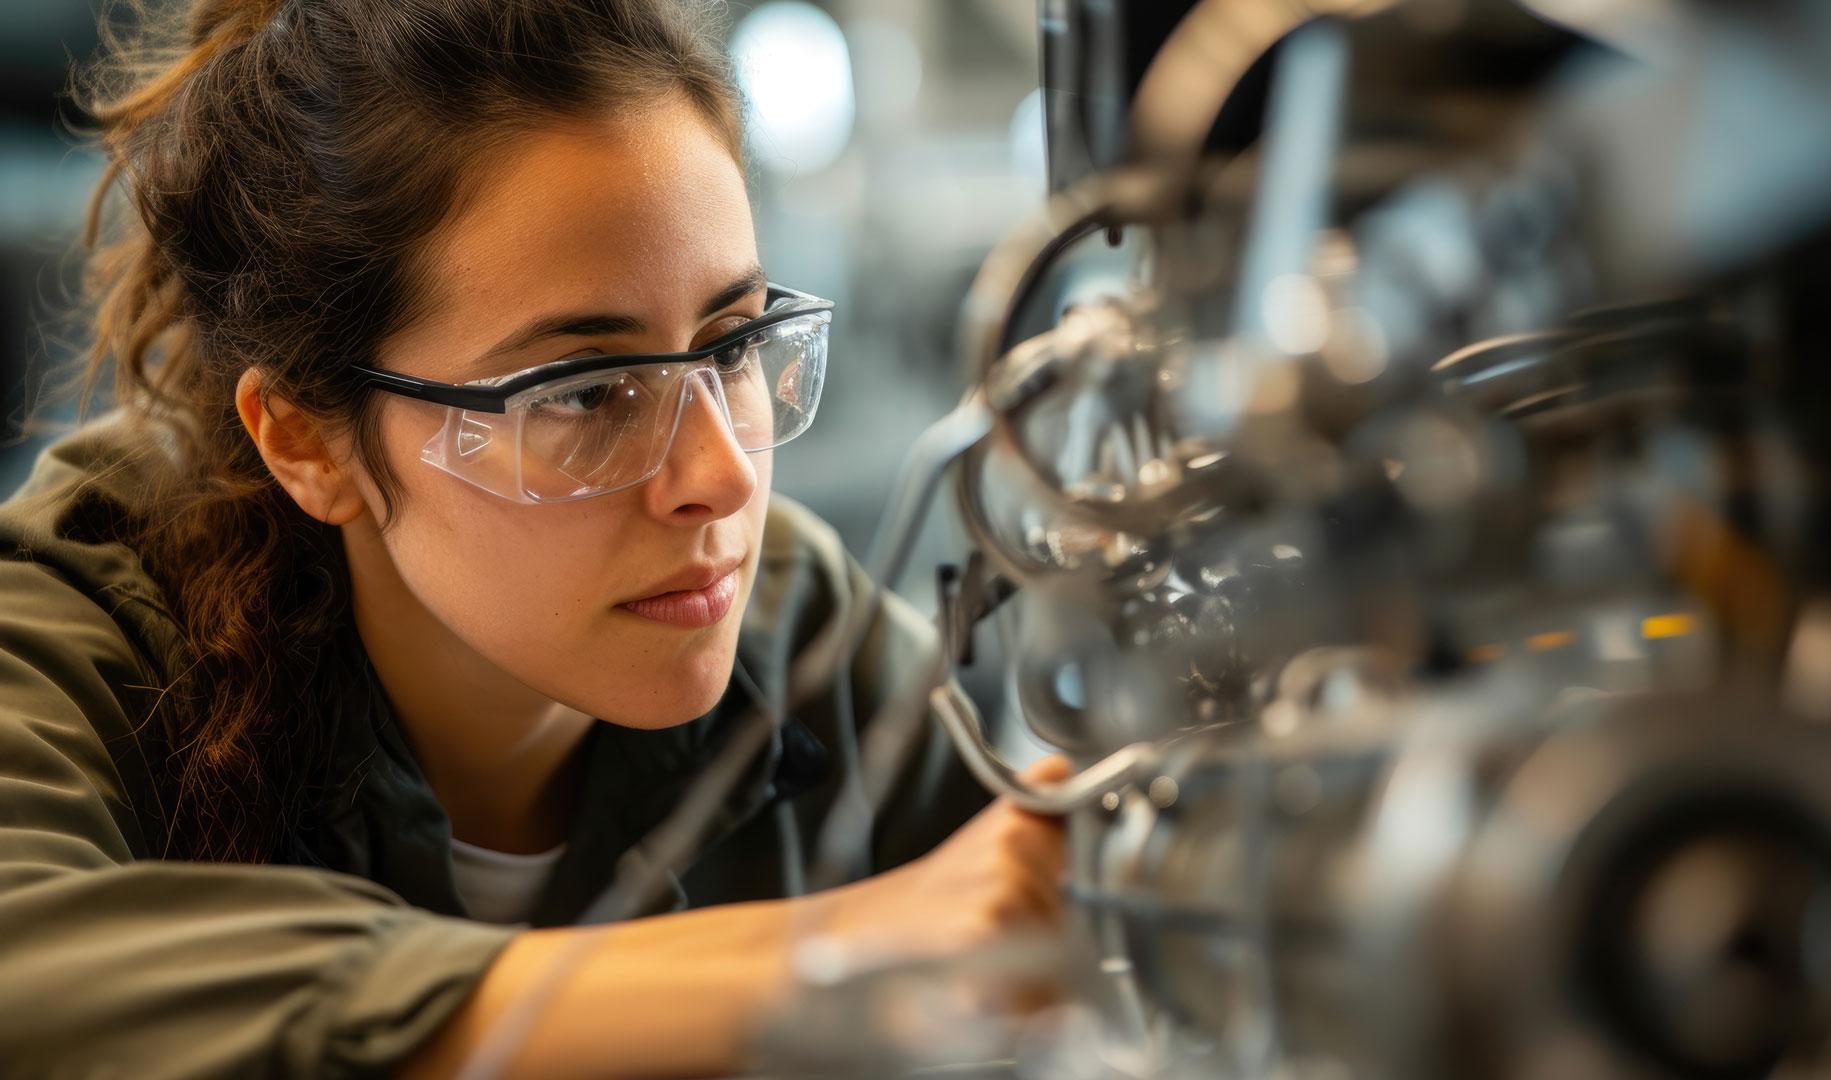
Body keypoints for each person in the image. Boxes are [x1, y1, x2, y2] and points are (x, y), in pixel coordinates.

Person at [0, 0, 1067, 1075]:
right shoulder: (84, 625)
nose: (724, 477)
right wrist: (832, 959)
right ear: (306, 443)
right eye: (587, 392)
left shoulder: (803, 637)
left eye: (733, 345)